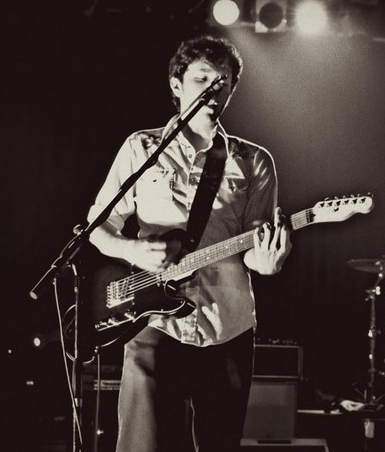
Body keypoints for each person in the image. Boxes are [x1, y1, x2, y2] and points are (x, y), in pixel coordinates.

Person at [87, 35, 292, 452]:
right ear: (177, 85)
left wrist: (268, 262)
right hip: (152, 321)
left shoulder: (253, 161)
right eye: (203, 79)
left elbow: (256, 247)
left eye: (224, 82)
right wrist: (132, 250)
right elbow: (98, 223)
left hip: (227, 325)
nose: (215, 90)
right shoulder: (142, 148)